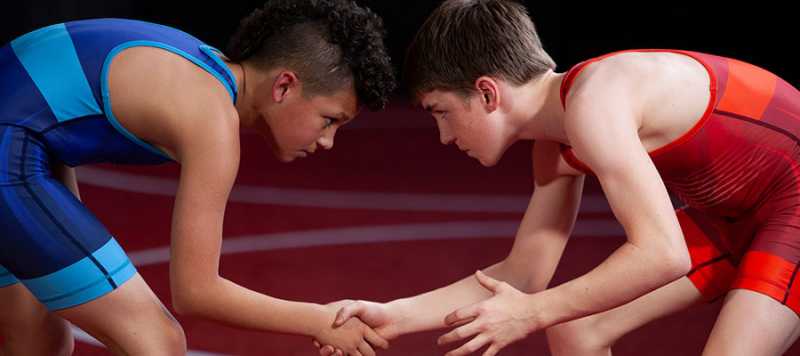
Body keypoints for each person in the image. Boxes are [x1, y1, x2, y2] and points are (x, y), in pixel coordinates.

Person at [321, 0, 800, 355]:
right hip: (736, 213)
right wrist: (395, 315)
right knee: (576, 328)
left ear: (488, 93)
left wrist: (531, 312)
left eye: (441, 112)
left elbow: (663, 253)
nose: (444, 136)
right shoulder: (555, 144)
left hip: (792, 205)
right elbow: (524, 274)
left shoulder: (596, 99)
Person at [0, 0, 395, 355]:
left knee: (38, 341)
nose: (327, 141)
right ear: (284, 85)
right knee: (158, 341)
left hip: (25, 139)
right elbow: (196, 292)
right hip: (12, 148)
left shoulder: (198, 64)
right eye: (329, 120)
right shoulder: (212, 119)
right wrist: (319, 320)